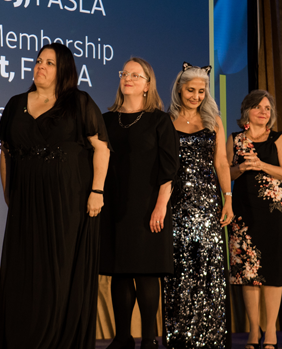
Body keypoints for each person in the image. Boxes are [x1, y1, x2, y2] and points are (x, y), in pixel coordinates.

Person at [0, 43, 110, 349]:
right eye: (38, 60)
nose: (40, 66)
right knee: (24, 272)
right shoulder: (16, 103)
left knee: (58, 270)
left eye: (49, 63)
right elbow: (6, 152)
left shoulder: (79, 102)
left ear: (64, 70)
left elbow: (101, 148)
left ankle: (57, 340)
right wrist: (9, 193)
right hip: (26, 200)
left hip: (67, 201)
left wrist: (97, 191)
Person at [100, 58, 180, 349]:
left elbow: (169, 168)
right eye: (125, 73)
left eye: (136, 75)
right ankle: (123, 338)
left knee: (146, 273)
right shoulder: (105, 120)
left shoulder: (159, 120)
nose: (128, 78)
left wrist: (160, 206)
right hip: (114, 206)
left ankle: (149, 339)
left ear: (148, 85)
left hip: (149, 207)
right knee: (119, 273)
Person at [162, 63, 234, 349]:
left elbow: (221, 162)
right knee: (180, 268)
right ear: (180, 89)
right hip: (177, 204)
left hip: (207, 204)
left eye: (201, 91)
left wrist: (228, 197)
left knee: (209, 270)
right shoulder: (166, 120)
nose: (196, 96)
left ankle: (211, 337)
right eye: (191, 90)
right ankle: (179, 336)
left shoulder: (213, 119)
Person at [227, 90, 282, 349]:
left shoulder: (278, 138)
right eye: (258, 107)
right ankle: (253, 332)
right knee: (247, 272)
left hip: (275, 213)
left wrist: (261, 164)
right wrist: (241, 167)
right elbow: (225, 172)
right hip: (244, 213)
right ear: (247, 112)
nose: (264, 111)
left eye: (268, 108)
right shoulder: (235, 139)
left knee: (273, 273)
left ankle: (271, 332)